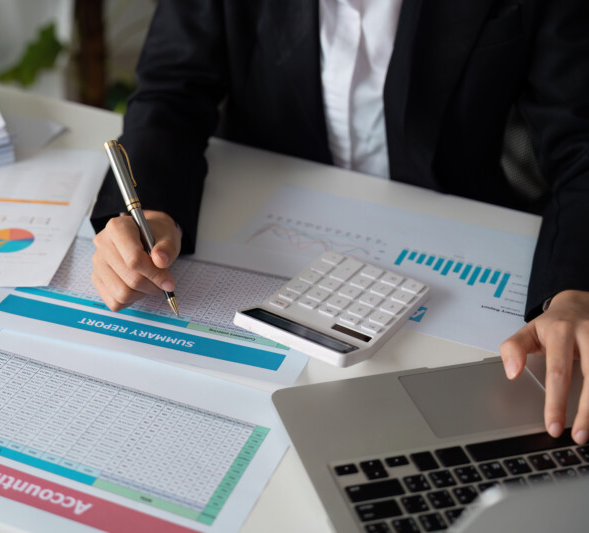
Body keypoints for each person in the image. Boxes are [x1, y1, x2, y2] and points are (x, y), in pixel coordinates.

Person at [90, 1, 589, 444]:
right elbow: (172, 89)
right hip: (272, 223)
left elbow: (580, 141)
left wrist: (573, 290)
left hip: (459, 251)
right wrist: (150, 210)